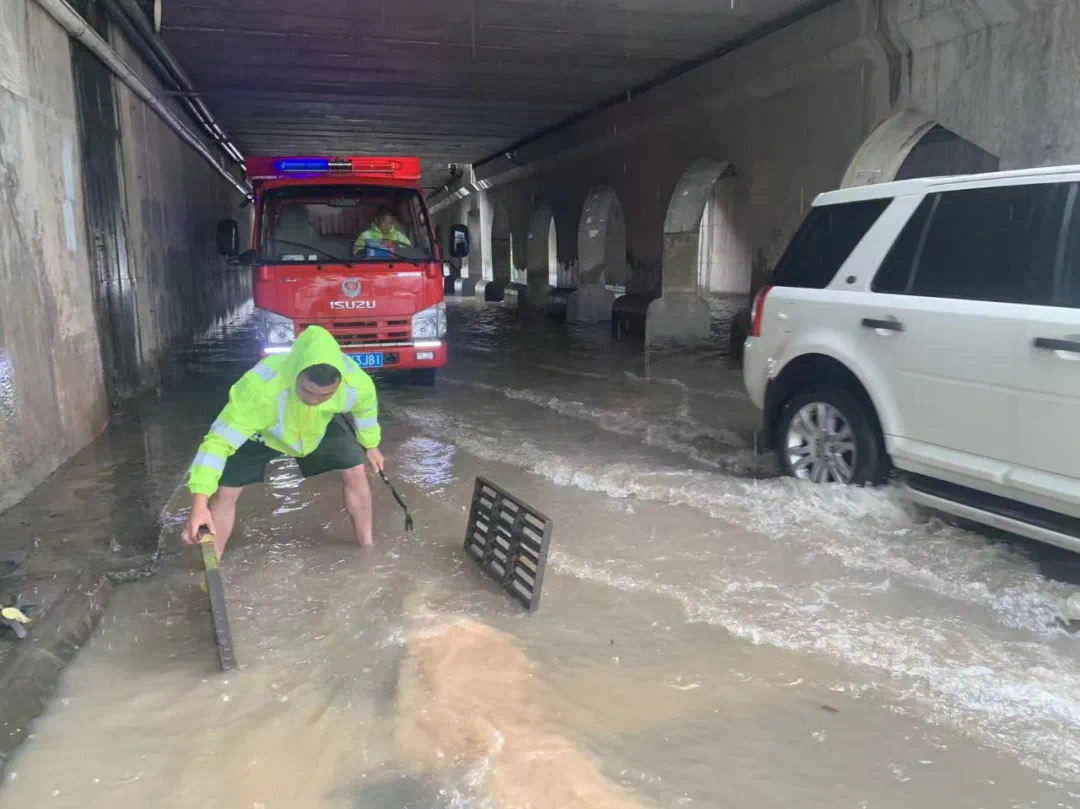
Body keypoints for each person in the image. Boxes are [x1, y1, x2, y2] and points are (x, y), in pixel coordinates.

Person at [181, 326, 385, 559]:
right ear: (295, 375)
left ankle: (368, 549)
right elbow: (217, 444)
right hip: (261, 433)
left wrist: (371, 445)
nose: (313, 400)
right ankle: (211, 564)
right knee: (226, 492)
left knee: (355, 470)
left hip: (315, 427)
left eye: (324, 396)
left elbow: (365, 412)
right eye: (306, 391)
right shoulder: (260, 390)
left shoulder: (356, 384)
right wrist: (198, 503)